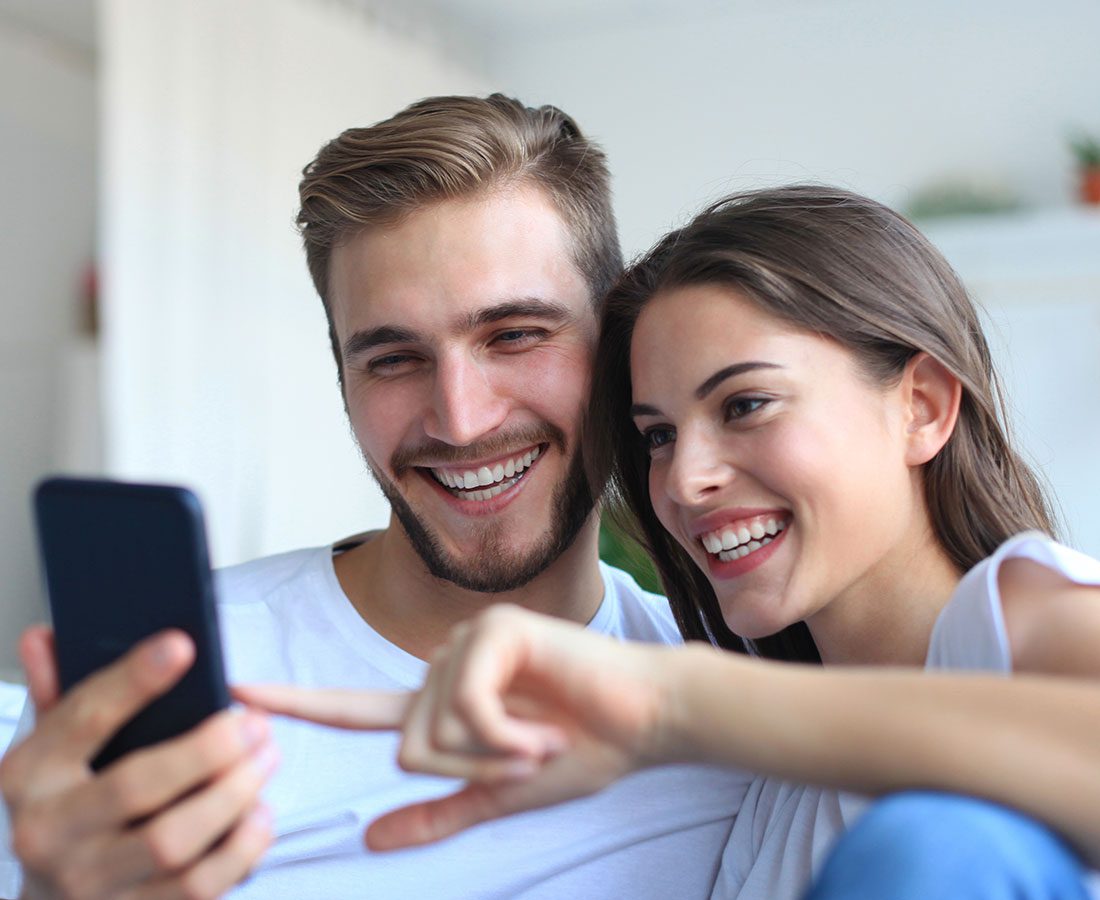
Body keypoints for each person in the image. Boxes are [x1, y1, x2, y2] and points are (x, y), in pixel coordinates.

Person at [241, 186, 1100, 899]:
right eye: (656, 435)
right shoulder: (768, 784)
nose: (685, 480)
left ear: (921, 407)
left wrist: (680, 707)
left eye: (746, 405)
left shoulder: (1014, 618)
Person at [0, 95, 751, 899]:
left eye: (515, 335)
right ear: (343, 379)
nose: (461, 421)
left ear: (617, 342)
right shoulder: (162, 691)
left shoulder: (733, 700)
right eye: (393, 358)